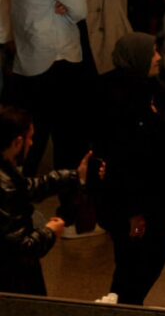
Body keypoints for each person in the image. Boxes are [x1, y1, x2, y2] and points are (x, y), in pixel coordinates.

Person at [8, 0, 90, 202]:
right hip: (56, 60)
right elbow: (80, 8)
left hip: (32, 60)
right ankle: (69, 212)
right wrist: (67, 7)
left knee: (33, 141)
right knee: (67, 142)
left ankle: (18, 205)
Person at [96, 33, 165, 305]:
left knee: (142, 268)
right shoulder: (121, 97)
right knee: (134, 270)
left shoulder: (150, 89)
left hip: (156, 198)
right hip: (140, 203)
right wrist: (133, 212)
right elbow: (125, 156)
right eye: (153, 52)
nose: (158, 57)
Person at [0, 106, 99, 296]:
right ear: (17, 143)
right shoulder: (5, 186)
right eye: (30, 138)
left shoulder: (5, 169)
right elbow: (22, 249)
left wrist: (74, 176)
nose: (32, 143)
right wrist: (50, 231)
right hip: (12, 285)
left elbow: (28, 188)